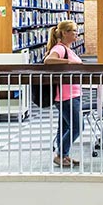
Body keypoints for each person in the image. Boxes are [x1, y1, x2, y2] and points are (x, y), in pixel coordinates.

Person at [44, 20, 84, 167]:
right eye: (73, 31)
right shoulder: (60, 48)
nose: (76, 33)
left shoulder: (68, 48)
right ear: (64, 33)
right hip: (66, 96)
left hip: (73, 93)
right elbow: (48, 60)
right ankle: (61, 153)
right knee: (78, 127)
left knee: (65, 127)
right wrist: (71, 63)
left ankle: (64, 156)